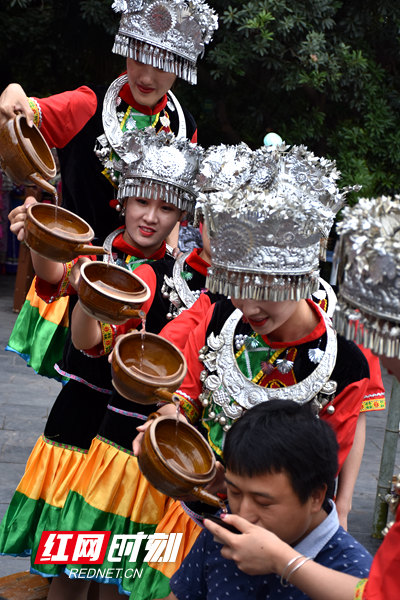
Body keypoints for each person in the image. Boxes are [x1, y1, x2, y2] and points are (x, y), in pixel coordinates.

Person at [0, 129, 201, 600]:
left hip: (133, 437)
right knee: (68, 569)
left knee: (115, 579)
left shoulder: (187, 280)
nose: (150, 217)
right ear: (123, 201)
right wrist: (40, 236)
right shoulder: (97, 251)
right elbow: (77, 323)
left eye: (166, 207)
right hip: (79, 422)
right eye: (141, 203)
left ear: (181, 215)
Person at [2, 0, 218, 389]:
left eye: (163, 64)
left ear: (182, 68)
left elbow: (175, 205)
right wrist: (13, 92)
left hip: (151, 276)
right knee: (86, 389)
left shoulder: (185, 125)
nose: (147, 75)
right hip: (81, 267)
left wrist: (170, 265)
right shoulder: (89, 105)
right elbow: (25, 117)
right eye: (138, 57)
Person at [199, 195, 400, 600]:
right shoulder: (220, 316)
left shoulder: (344, 359)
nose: (249, 303)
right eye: (237, 284)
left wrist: (284, 557)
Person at [161, 399, 372, 600]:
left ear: (315, 496)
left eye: (263, 503)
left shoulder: (356, 575)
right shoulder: (225, 530)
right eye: (234, 493)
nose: (243, 514)